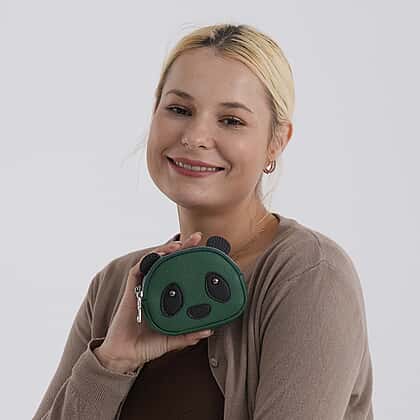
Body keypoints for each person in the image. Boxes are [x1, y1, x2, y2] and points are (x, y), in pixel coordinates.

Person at [33, 23, 374, 419]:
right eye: (179, 110)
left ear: (276, 141)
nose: (195, 136)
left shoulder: (310, 275)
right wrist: (112, 361)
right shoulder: (114, 287)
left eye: (231, 120)